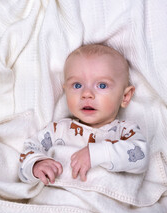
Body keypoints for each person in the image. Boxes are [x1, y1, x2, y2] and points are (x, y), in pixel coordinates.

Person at [18, 44, 148, 185]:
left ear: (125, 96)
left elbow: (141, 158)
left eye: (102, 85)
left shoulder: (124, 132)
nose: (86, 94)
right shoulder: (58, 130)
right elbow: (29, 149)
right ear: (66, 91)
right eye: (77, 85)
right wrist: (36, 164)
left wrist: (96, 154)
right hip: (60, 200)